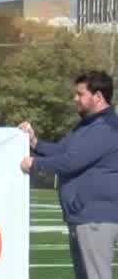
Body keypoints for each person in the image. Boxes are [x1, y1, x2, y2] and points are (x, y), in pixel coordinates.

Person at [20, 71, 118, 279]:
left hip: (95, 217)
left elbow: (71, 161)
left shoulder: (105, 128)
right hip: (82, 216)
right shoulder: (88, 124)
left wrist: (35, 163)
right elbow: (63, 150)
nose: (75, 99)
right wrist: (34, 143)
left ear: (98, 96)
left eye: (80, 94)